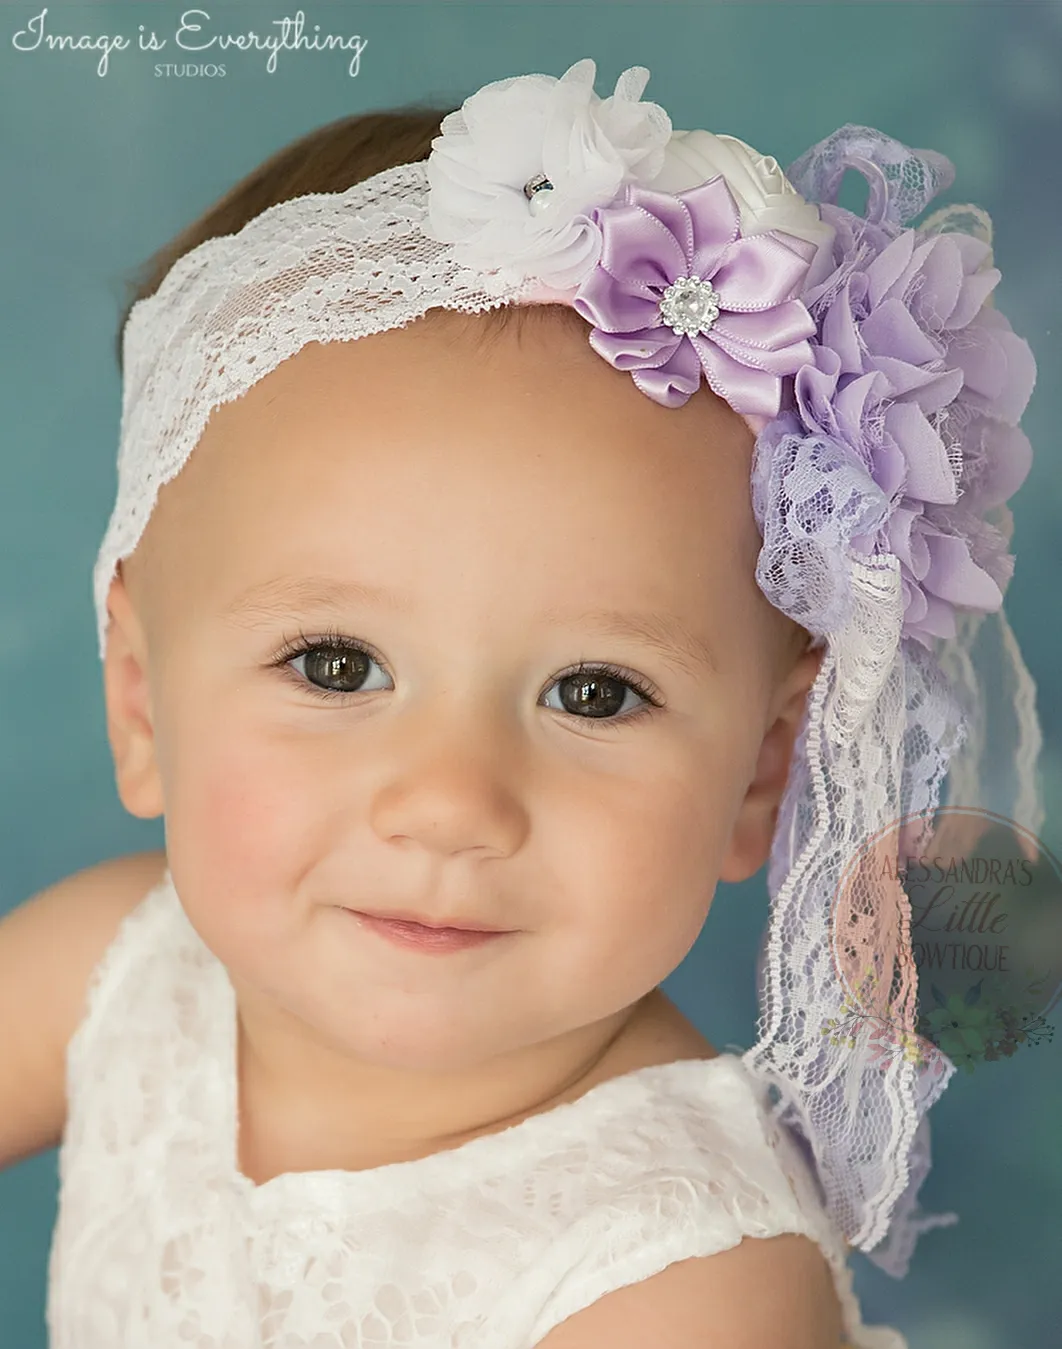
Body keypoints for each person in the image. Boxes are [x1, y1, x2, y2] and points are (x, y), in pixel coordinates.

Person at [0, 58, 1039, 1350]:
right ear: (143, 704)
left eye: (594, 692)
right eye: (335, 664)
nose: (449, 802)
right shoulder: (116, 969)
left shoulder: (679, 1283)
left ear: (762, 772)